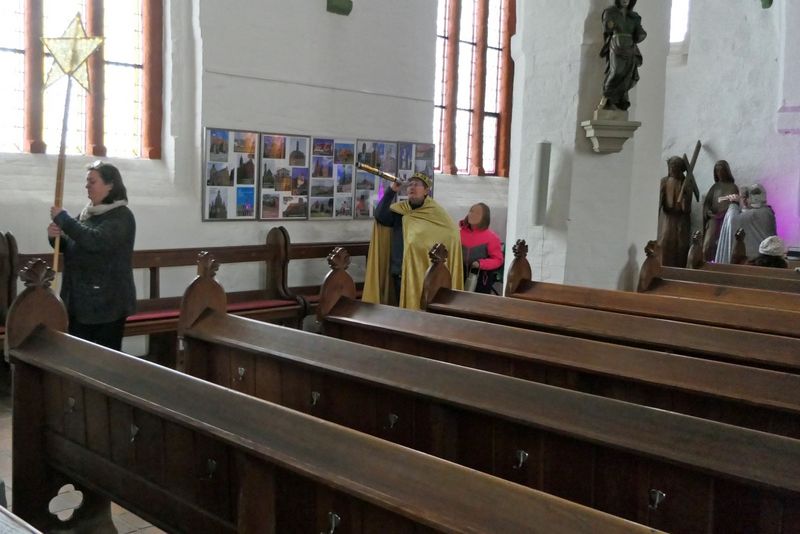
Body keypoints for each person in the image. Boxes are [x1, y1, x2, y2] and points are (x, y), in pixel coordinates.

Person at [47, 161, 136, 351]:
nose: (87, 186)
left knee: (105, 359)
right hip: (80, 301)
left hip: (107, 303)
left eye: (92, 181)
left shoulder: (121, 216)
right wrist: (56, 238)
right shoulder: (87, 214)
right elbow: (73, 245)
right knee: (79, 355)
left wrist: (64, 219)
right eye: (87, 181)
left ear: (110, 185)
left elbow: (95, 241)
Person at [364, 172, 463, 309]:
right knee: (401, 313)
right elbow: (380, 216)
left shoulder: (435, 213)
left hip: (423, 272)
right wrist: (392, 190)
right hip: (400, 270)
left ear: (426, 190)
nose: (412, 187)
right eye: (410, 184)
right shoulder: (401, 211)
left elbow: (452, 234)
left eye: (417, 184)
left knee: (422, 310)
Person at [598, 0, 647, 111]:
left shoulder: (634, 16)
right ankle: (606, 96)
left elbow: (639, 32)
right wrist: (609, 24)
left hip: (630, 47)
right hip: (616, 45)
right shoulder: (610, 12)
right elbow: (607, 27)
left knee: (627, 75)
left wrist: (641, 33)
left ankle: (617, 100)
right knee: (616, 71)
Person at [715, 184, 777, 263]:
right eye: (742, 197)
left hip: (754, 258)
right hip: (760, 256)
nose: (743, 200)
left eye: (746, 197)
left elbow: (733, 220)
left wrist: (733, 204)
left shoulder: (758, 212)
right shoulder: (766, 210)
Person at [460, 203, 503, 293]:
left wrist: (480, 263)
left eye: (477, 213)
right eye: (471, 211)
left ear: (484, 217)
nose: (472, 214)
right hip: (459, 278)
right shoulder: (458, 234)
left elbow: (498, 260)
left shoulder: (492, 237)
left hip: (481, 282)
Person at [658, 156, 693, 267]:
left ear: (680, 169)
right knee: (666, 241)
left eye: (676, 166)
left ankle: (679, 270)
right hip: (668, 217)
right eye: (671, 166)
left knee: (681, 245)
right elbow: (659, 200)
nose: (673, 168)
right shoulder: (664, 181)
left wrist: (685, 196)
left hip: (681, 218)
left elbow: (687, 207)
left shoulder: (686, 183)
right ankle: (664, 267)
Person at [701, 160, 739, 261]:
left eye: (722, 170)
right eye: (717, 171)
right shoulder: (715, 187)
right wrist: (708, 211)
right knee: (707, 245)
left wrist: (723, 214)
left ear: (726, 171)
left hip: (726, 219)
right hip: (713, 219)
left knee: (722, 245)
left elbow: (734, 205)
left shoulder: (733, 187)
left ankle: (719, 265)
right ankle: (706, 265)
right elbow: (707, 203)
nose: (720, 173)